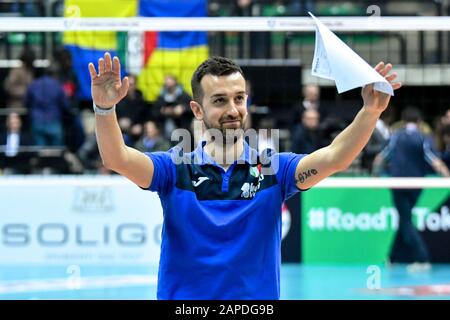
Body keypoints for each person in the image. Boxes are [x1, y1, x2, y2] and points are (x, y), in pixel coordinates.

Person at [89, 52, 401, 299]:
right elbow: (116, 158)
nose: (233, 109)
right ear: (197, 110)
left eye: (239, 98)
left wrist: (370, 112)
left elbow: (335, 158)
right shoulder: (174, 168)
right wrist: (104, 109)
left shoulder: (274, 169)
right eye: (220, 100)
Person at [373, 107, 450, 272]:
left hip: (398, 184)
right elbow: (434, 160)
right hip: (417, 185)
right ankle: (392, 257)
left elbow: (381, 158)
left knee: (405, 220)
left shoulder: (395, 136)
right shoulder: (423, 137)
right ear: (419, 122)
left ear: (403, 120)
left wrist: (375, 176)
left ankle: (422, 258)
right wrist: (447, 177)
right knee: (405, 219)